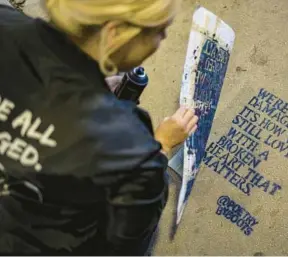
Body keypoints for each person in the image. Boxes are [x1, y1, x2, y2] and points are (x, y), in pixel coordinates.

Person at [0, 0, 198, 255]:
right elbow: (124, 243)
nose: (163, 38)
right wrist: (160, 147)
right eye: (158, 31)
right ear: (114, 34)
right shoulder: (129, 146)